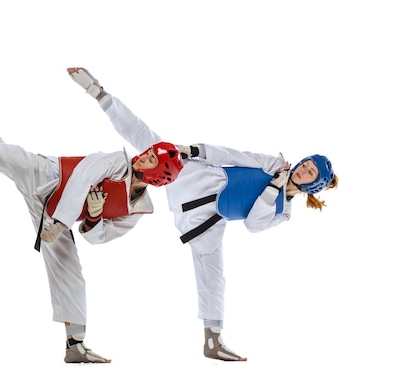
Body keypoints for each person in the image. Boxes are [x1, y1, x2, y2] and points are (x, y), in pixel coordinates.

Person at [0, 73, 184, 364]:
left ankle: (75, 346)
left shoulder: (136, 209)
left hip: (50, 216)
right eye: (147, 153)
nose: (142, 157)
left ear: (157, 178)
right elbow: (83, 176)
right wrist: (62, 222)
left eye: (150, 160)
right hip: (45, 175)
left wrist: (95, 216)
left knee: (69, 269)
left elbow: (96, 237)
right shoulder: (116, 161)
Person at [67, 67, 339, 362]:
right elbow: (236, 156)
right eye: (307, 163)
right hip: (202, 179)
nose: (303, 168)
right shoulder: (276, 163)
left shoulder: (283, 211)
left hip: (207, 219)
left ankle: (213, 340)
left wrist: (273, 189)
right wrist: (194, 150)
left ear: (314, 185)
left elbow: (253, 224)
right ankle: (98, 92)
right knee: (149, 141)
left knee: (213, 275)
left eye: (310, 171)